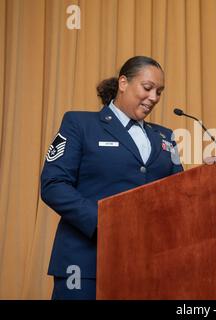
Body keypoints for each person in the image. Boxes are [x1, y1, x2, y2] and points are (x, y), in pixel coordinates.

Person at [40, 56, 183, 299]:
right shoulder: (79, 123)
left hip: (147, 267)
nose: (154, 98)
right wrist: (105, 222)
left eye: (159, 92)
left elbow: (180, 193)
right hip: (85, 264)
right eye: (147, 88)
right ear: (124, 83)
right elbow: (53, 184)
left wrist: (213, 175)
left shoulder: (166, 137)